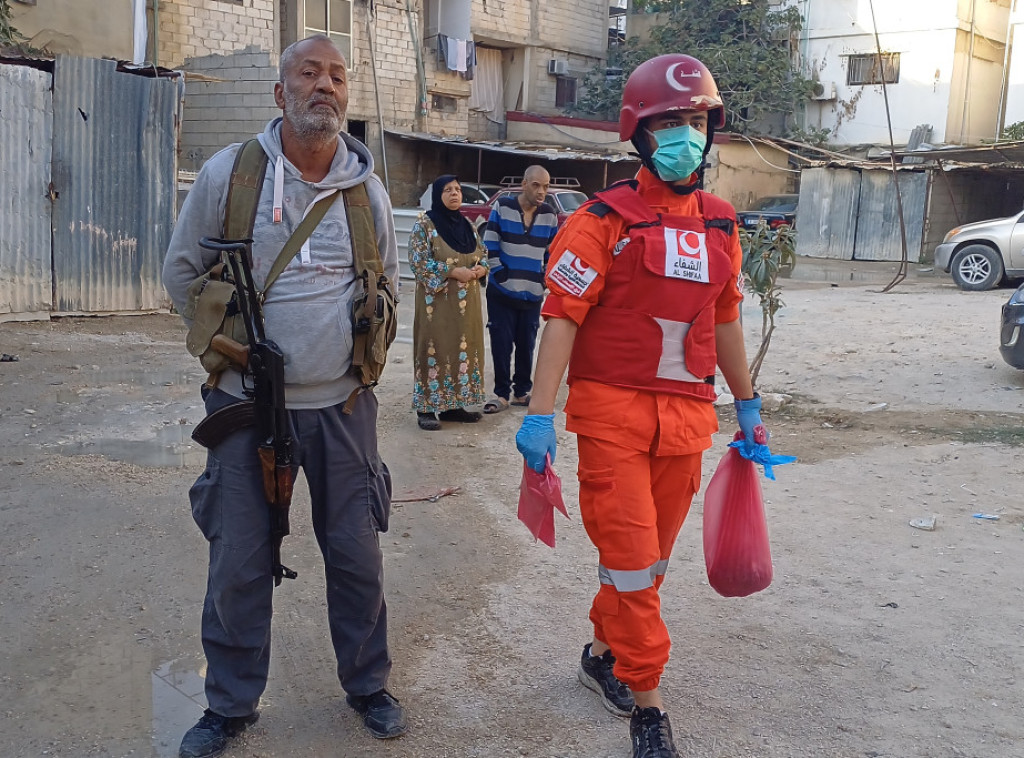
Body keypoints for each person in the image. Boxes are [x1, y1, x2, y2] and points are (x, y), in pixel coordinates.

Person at [514, 54, 774, 758]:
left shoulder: (721, 225)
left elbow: (724, 321)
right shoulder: (600, 223)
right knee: (631, 561)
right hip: (612, 420)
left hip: (686, 422)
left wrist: (747, 406)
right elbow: (561, 319)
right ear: (638, 134)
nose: (685, 136)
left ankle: (602, 654)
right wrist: (539, 415)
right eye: (669, 124)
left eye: (695, 122)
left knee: (645, 565)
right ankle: (649, 709)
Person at [162, 35, 406, 758]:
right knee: (238, 558)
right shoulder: (229, 175)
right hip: (244, 404)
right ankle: (229, 704)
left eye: (336, 76)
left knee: (357, 553)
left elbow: (387, 283)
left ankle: (368, 685)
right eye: (308, 73)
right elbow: (183, 274)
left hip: (342, 408)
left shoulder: (368, 193)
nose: (324, 86)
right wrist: (230, 348)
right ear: (281, 93)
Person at [408, 175, 489, 431]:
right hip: (437, 305)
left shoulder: (468, 225)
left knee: (461, 349)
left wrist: (480, 270)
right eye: (447, 190)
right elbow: (418, 261)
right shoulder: (424, 225)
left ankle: (454, 406)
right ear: (437, 195)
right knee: (434, 349)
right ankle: (427, 408)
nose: (454, 194)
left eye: (457, 189)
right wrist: (453, 272)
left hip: (467, 307)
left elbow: (483, 254)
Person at [481, 165, 559, 413]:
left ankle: (522, 392)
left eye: (546, 186)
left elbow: (553, 251)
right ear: (524, 184)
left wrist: (544, 280)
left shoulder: (549, 214)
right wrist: (499, 273)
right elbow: (490, 243)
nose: (542, 191)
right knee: (501, 343)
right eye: (536, 185)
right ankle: (501, 394)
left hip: (532, 293)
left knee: (527, 344)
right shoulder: (503, 206)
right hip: (501, 291)